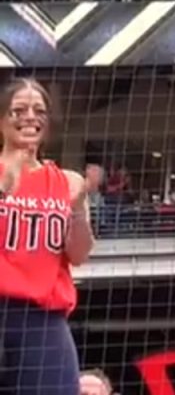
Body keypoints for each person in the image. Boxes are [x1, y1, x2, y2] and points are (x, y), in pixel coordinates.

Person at [0, 78, 99, 395]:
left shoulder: (64, 181)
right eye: (19, 109)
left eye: (38, 110)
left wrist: (78, 206)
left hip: (43, 321)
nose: (30, 116)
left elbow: (80, 255)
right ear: (2, 119)